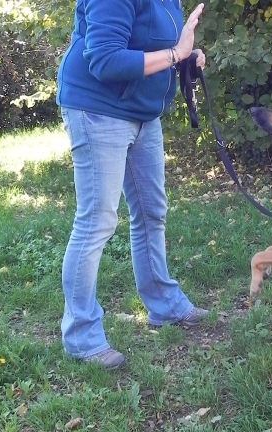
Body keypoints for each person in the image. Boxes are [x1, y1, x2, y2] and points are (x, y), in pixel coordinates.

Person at [56, 0, 209, 369]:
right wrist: (175, 53)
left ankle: (164, 304)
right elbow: (106, 61)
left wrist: (186, 60)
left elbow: (149, 46)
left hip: (142, 114)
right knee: (97, 221)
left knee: (152, 212)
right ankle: (81, 335)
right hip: (97, 110)